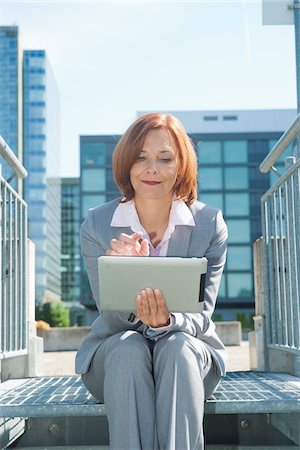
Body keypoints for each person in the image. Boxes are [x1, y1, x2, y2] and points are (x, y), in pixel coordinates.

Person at [75, 112, 228, 450]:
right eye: (141, 157)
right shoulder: (97, 225)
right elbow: (110, 317)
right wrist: (126, 280)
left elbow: (202, 316)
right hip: (116, 358)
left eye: (165, 158)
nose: (152, 168)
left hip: (186, 355)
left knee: (176, 347)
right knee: (128, 348)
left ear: (181, 166)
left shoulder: (209, 224)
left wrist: (168, 321)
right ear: (127, 164)